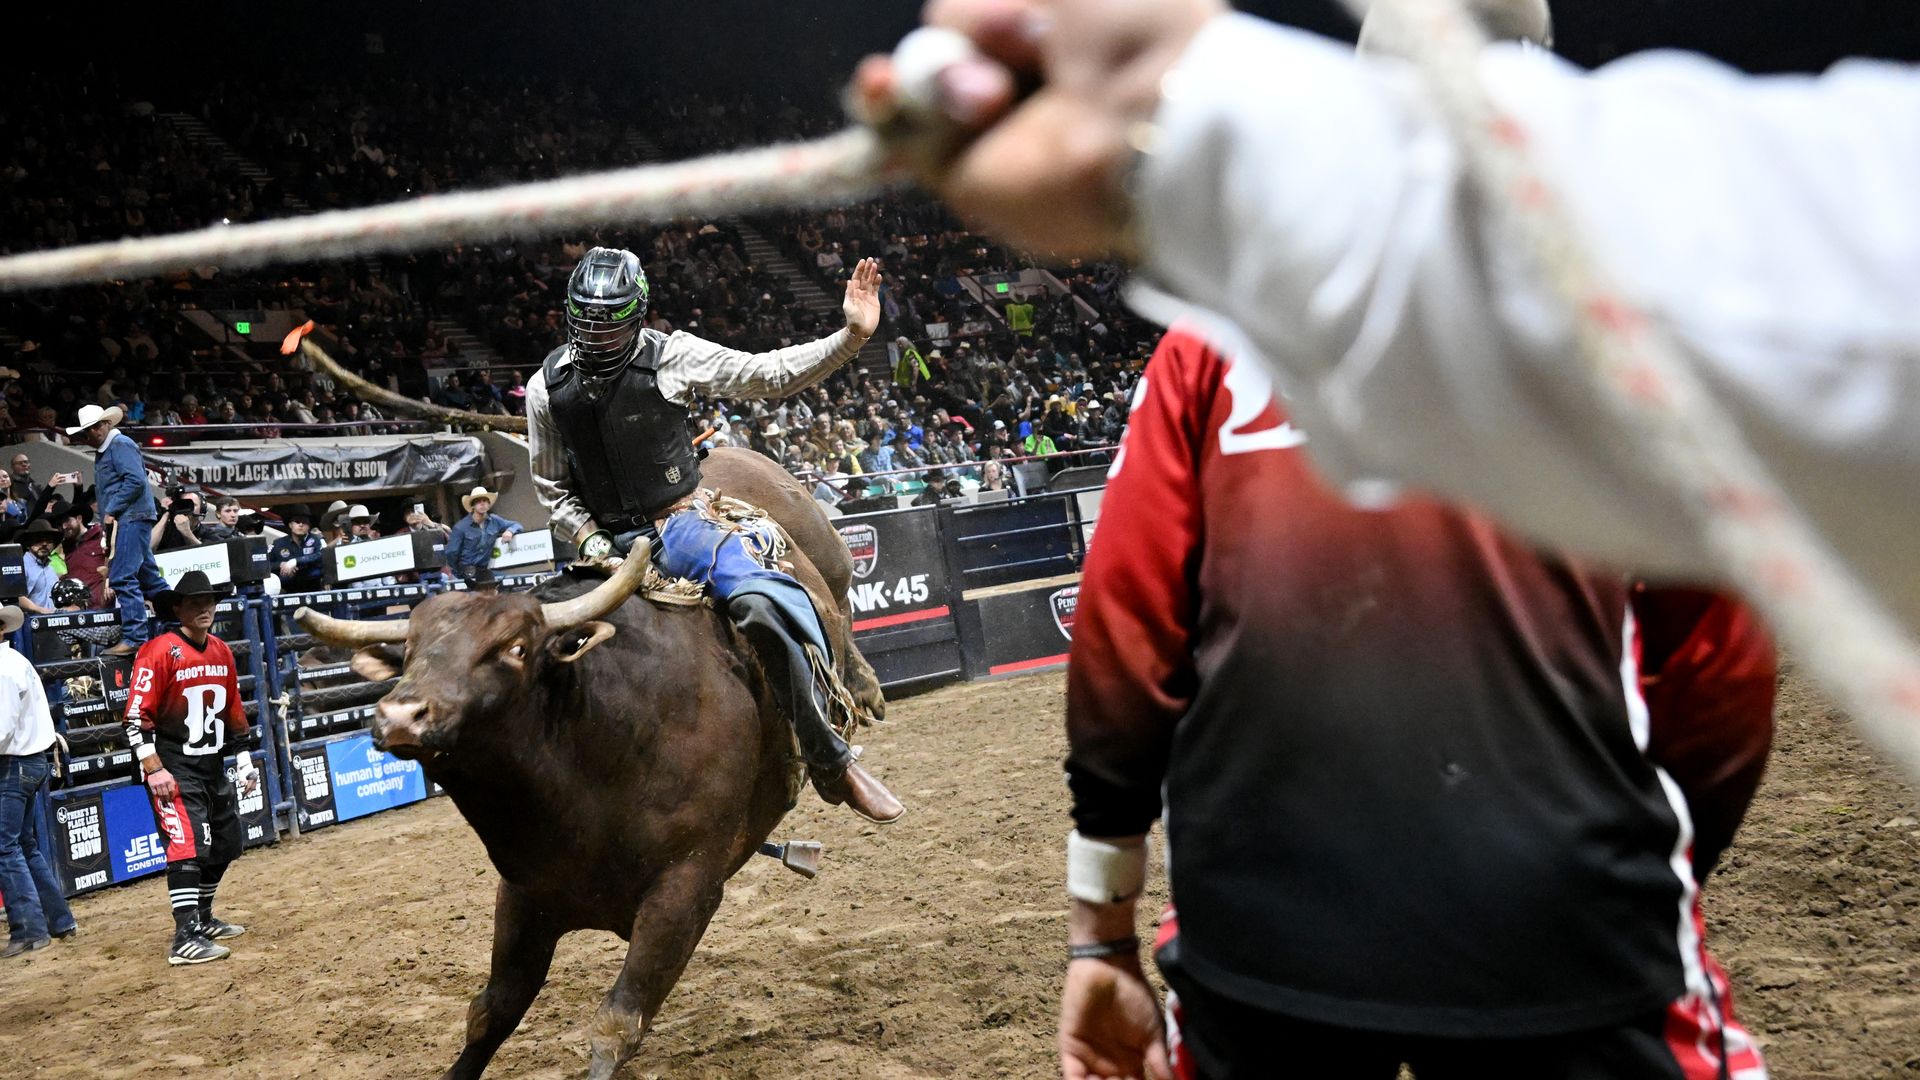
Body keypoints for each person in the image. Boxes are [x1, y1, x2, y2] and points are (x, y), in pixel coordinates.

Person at [858, 0, 1920, 633]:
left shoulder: (1206, 347)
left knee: (777, 606)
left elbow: (1140, 613)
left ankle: (821, 717)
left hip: (1310, 850)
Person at [1058, 329, 1774, 1080]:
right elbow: (1718, 659)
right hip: (1561, 906)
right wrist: (1636, 860)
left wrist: (1102, 932)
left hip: (1263, 924)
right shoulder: (1608, 306)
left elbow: (1123, 632)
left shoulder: (1210, 338)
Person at [527, 247, 903, 824]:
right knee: (528, 647)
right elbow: (553, 489)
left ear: (637, 316)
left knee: (761, 605)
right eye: (589, 322)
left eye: (612, 322)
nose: (599, 336)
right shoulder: (545, 390)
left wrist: (851, 337)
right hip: (602, 547)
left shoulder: (673, 356)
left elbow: (768, 374)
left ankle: (829, 759)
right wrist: (591, 541)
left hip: (681, 526)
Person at [124, 570, 258, 966]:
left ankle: (202, 918)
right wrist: (153, 767)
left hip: (212, 762)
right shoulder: (159, 650)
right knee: (187, 845)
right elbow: (135, 715)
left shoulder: (220, 650)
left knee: (226, 842)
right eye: (195, 602)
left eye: (210, 601)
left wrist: (245, 759)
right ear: (178, 608)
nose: (205, 608)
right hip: (173, 764)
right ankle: (184, 937)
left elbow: (233, 708)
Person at [0, 604, 77, 958]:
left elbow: (2, 728)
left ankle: (29, 930)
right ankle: (58, 920)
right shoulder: (17, 662)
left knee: (7, 847)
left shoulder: (2, 668)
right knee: (24, 845)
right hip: (32, 761)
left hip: (13, 764)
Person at [69, 404, 161, 656]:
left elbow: (135, 480)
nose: (93, 432)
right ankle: (176, 620)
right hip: (131, 517)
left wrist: (112, 509)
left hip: (129, 517)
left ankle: (135, 637)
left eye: (96, 426)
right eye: (89, 429)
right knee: (149, 577)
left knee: (121, 576)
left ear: (106, 424)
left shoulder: (119, 445)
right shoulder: (113, 447)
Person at [445, 486, 521, 583]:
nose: (482, 503)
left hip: (485, 571)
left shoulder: (495, 520)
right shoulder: (460, 527)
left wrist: (510, 531)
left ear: (489, 504)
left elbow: (517, 525)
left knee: (510, 582)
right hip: (466, 572)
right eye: (478, 501)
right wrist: (460, 572)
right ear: (473, 505)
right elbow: (451, 553)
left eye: (485, 500)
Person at [269, 506, 327, 594]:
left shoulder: (317, 540)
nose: (301, 524)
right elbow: (265, 564)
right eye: (297, 521)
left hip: (313, 590)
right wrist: (281, 564)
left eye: (304, 522)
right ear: (290, 525)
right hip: (287, 592)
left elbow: (320, 556)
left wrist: (295, 561)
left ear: (309, 525)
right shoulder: (278, 544)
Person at [14, 519, 62, 616]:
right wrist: (39, 610)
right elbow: (15, 597)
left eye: (48, 540)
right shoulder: (21, 566)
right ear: (28, 543)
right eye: (39, 539)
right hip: (31, 624)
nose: (44, 543)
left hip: (53, 623)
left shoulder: (51, 569)